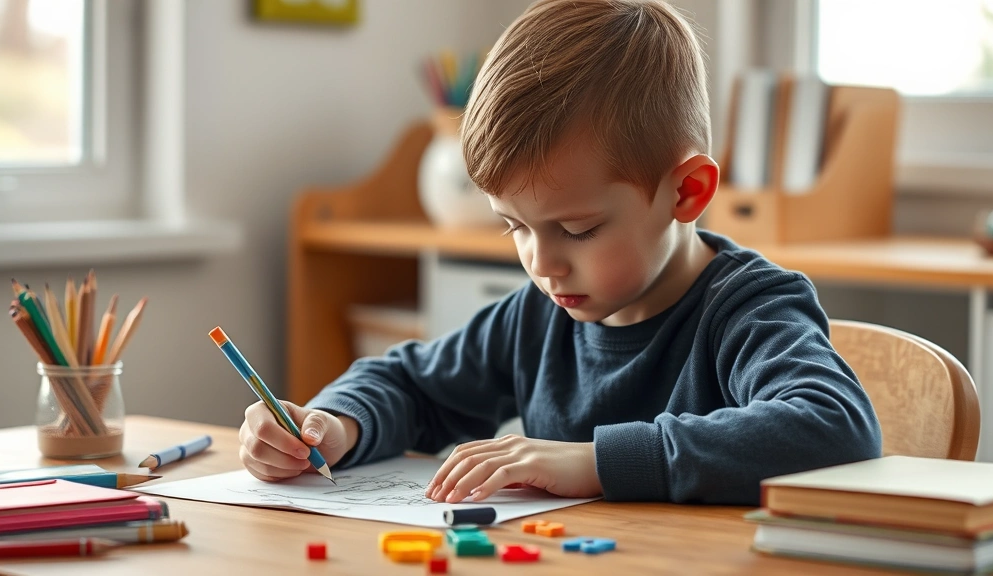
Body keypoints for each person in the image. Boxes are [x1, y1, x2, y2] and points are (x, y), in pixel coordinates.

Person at [239, 0, 881, 505]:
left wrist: (595, 462)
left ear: (687, 192)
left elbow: (834, 426)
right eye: (513, 226)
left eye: (577, 231)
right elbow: (408, 382)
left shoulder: (746, 308)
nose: (542, 264)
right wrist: (332, 426)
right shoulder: (539, 314)